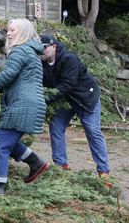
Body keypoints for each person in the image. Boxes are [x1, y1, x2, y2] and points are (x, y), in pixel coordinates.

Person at [0, 18, 49, 195]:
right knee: (8, 140)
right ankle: (36, 163)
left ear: (22, 32)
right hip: (30, 104)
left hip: (22, 105)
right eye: (8, 30)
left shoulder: (20, 50)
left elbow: (8, 75)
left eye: (12, 30)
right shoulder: (31, 51)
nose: (8, 33)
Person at [39, 34, 111, 183]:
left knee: (92, 131)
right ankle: (61, 166)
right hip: (65, 101)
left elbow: (67, 84)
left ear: (54, 46)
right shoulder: (42, 63)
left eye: (44, 48)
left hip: (85, 98)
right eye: (39, 48)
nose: (41, 51)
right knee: (56, 127)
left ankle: (103, 171)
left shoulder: (68, 59)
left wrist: (44, 99)